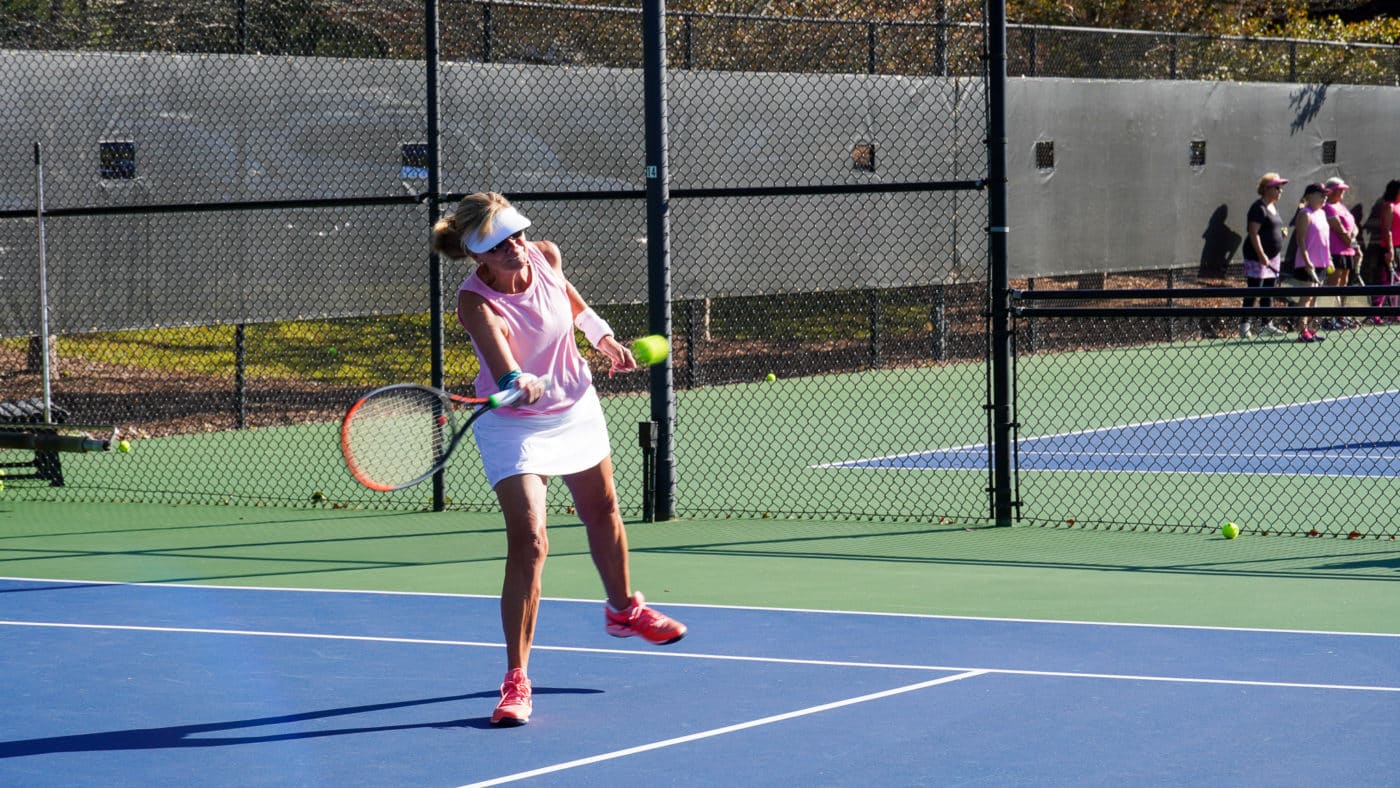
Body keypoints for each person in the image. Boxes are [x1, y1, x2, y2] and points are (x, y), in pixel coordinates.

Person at [431, 192, 687, 727]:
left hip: (575, 406)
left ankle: (624, 611)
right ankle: (516, 679)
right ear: (476, 255)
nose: (516, 248)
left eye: (517, 235)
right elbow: (502, 360)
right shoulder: (475, 302)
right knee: (530, 540)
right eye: (499, 245)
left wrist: (602, 338)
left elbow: (571, 303)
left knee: (603, 510)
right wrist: (516, 380)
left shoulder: (545, 254)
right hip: (516, 426)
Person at [1240, 172, 1289, 338]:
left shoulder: (1273, 207)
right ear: (1267, 189)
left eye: (1281, 188)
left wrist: (1280, 234)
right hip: (1257, 257)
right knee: (1254, 290)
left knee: (1269, 291)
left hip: (1273, 258)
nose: (1280, 191)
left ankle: (1266, 325)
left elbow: (1270, 229)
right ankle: (1244, 326)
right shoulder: (1258, 208)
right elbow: (1253, 233)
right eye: (1277, 188)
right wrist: (1261, 254)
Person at [1291, 183, 1331, 343]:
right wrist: (1308, 262)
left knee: (1315, 297)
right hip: (1306, 264)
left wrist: (1329, 260)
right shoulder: (1304, 214)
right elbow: (1300, 240)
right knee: (1306, 297)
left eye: (1325, 195)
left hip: (1321, 263)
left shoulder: (1322, 213)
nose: (1324, 197)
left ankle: (1311, 329)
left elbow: (1325, 239)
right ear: (1309, 196)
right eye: (1321, 194)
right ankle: (1302, 331)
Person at [1321, 177, 1361, 330]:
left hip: (1348, 251)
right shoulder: (1328, 208)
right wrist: (1353, 242)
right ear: (1330, 191)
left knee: (1344, 283)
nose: (1342, 192)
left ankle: (1340, 316)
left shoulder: (1342, 207)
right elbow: (1340, 230)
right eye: (1339, 189)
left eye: (1343, 189)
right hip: (1335, 252)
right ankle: (1329, 318)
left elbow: (1354, 227)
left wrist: (1354, 243)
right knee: (1334, 284)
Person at [1376, 179, 1400, 323]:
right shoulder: (1388, 206)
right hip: (1388, 249)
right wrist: (1390, 251)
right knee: (1386, 281)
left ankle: (1395, 313)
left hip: (1398, 249)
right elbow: (1387, 230)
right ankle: (1375, 314)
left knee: (1397, 281)